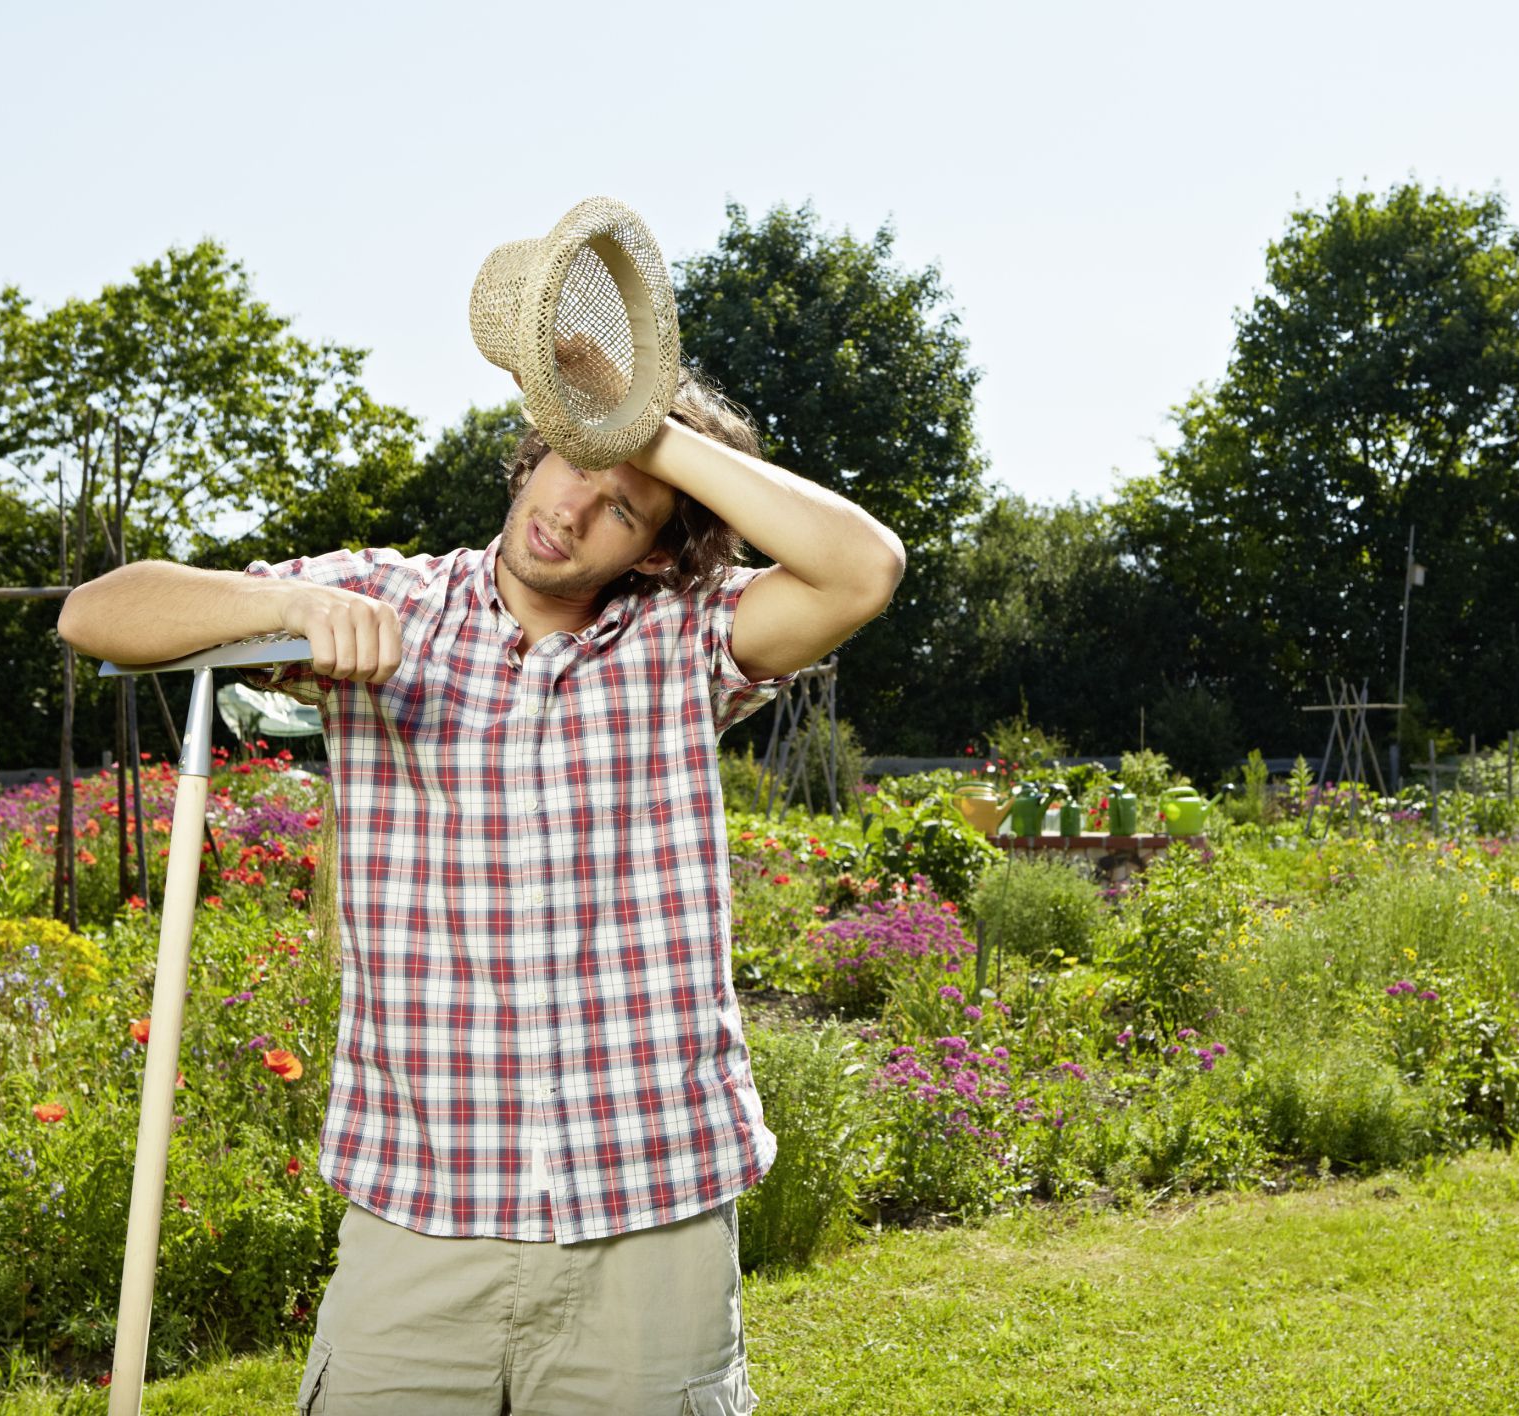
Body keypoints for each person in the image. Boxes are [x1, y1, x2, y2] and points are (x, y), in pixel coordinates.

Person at [57, 370, 905, 1415]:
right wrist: (285, 602)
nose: (572, 509)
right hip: (418, 1222)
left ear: (651, 550)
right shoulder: (382, 604)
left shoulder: (682, 638)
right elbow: (97, 614)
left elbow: (862, 571)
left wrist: (646, 432)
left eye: (623, 507)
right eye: (573, 462)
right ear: (538, 447)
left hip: (649, 1227)